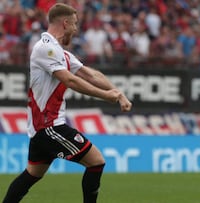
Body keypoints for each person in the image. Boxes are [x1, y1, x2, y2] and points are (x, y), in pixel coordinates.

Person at [2, 3, 132, 203]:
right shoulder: (45, 48)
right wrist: (107, 96)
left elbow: (90, 74)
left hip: (43, 128)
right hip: (49, 126)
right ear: (65, 23)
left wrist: (118, 93)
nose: (76, 29)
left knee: (32, 175)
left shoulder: (61, 53)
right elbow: (70, 80)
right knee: (96, 162)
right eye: (75, 24)